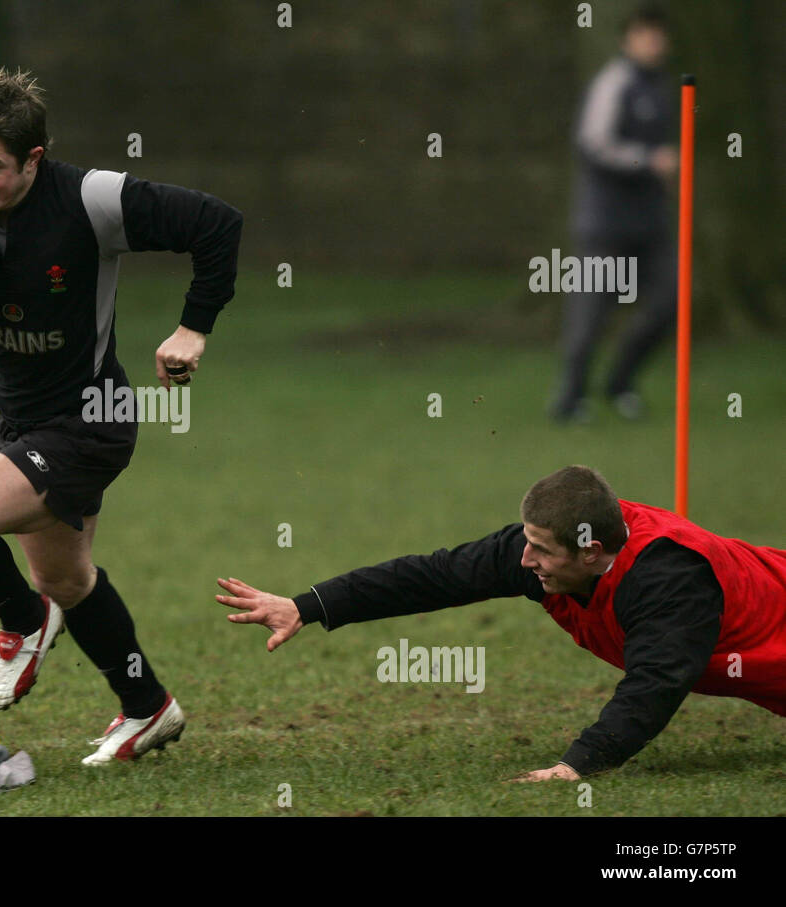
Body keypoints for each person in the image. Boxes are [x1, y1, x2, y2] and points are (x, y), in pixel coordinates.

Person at [0, 68, 242, 764]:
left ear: (33, 159)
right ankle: (149, 706)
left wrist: (192, 329)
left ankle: (24, 621)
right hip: (22, 421)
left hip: (92, 417)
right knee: (68, 578)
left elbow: (216, 224)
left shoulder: (91, 199)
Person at [217, 465, 786, 781]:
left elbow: (655, 685)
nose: (523, 560)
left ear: (590, 552)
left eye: (540, 549)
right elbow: (432, 576)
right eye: (527, 541)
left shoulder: (669, 580)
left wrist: (575, 766)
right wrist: (307, 606)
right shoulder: (539, 553)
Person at [550, 4, 678, 422]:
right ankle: (570, 400)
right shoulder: (612, 82)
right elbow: (592, 145)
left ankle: (620, 382)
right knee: (590, 314)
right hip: (604, 226)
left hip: (651, 226)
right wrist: (647, 160)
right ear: (628, 38)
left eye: (658, 34)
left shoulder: (660, 88)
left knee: (669, 303)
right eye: (644, 33)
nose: (652, 41)